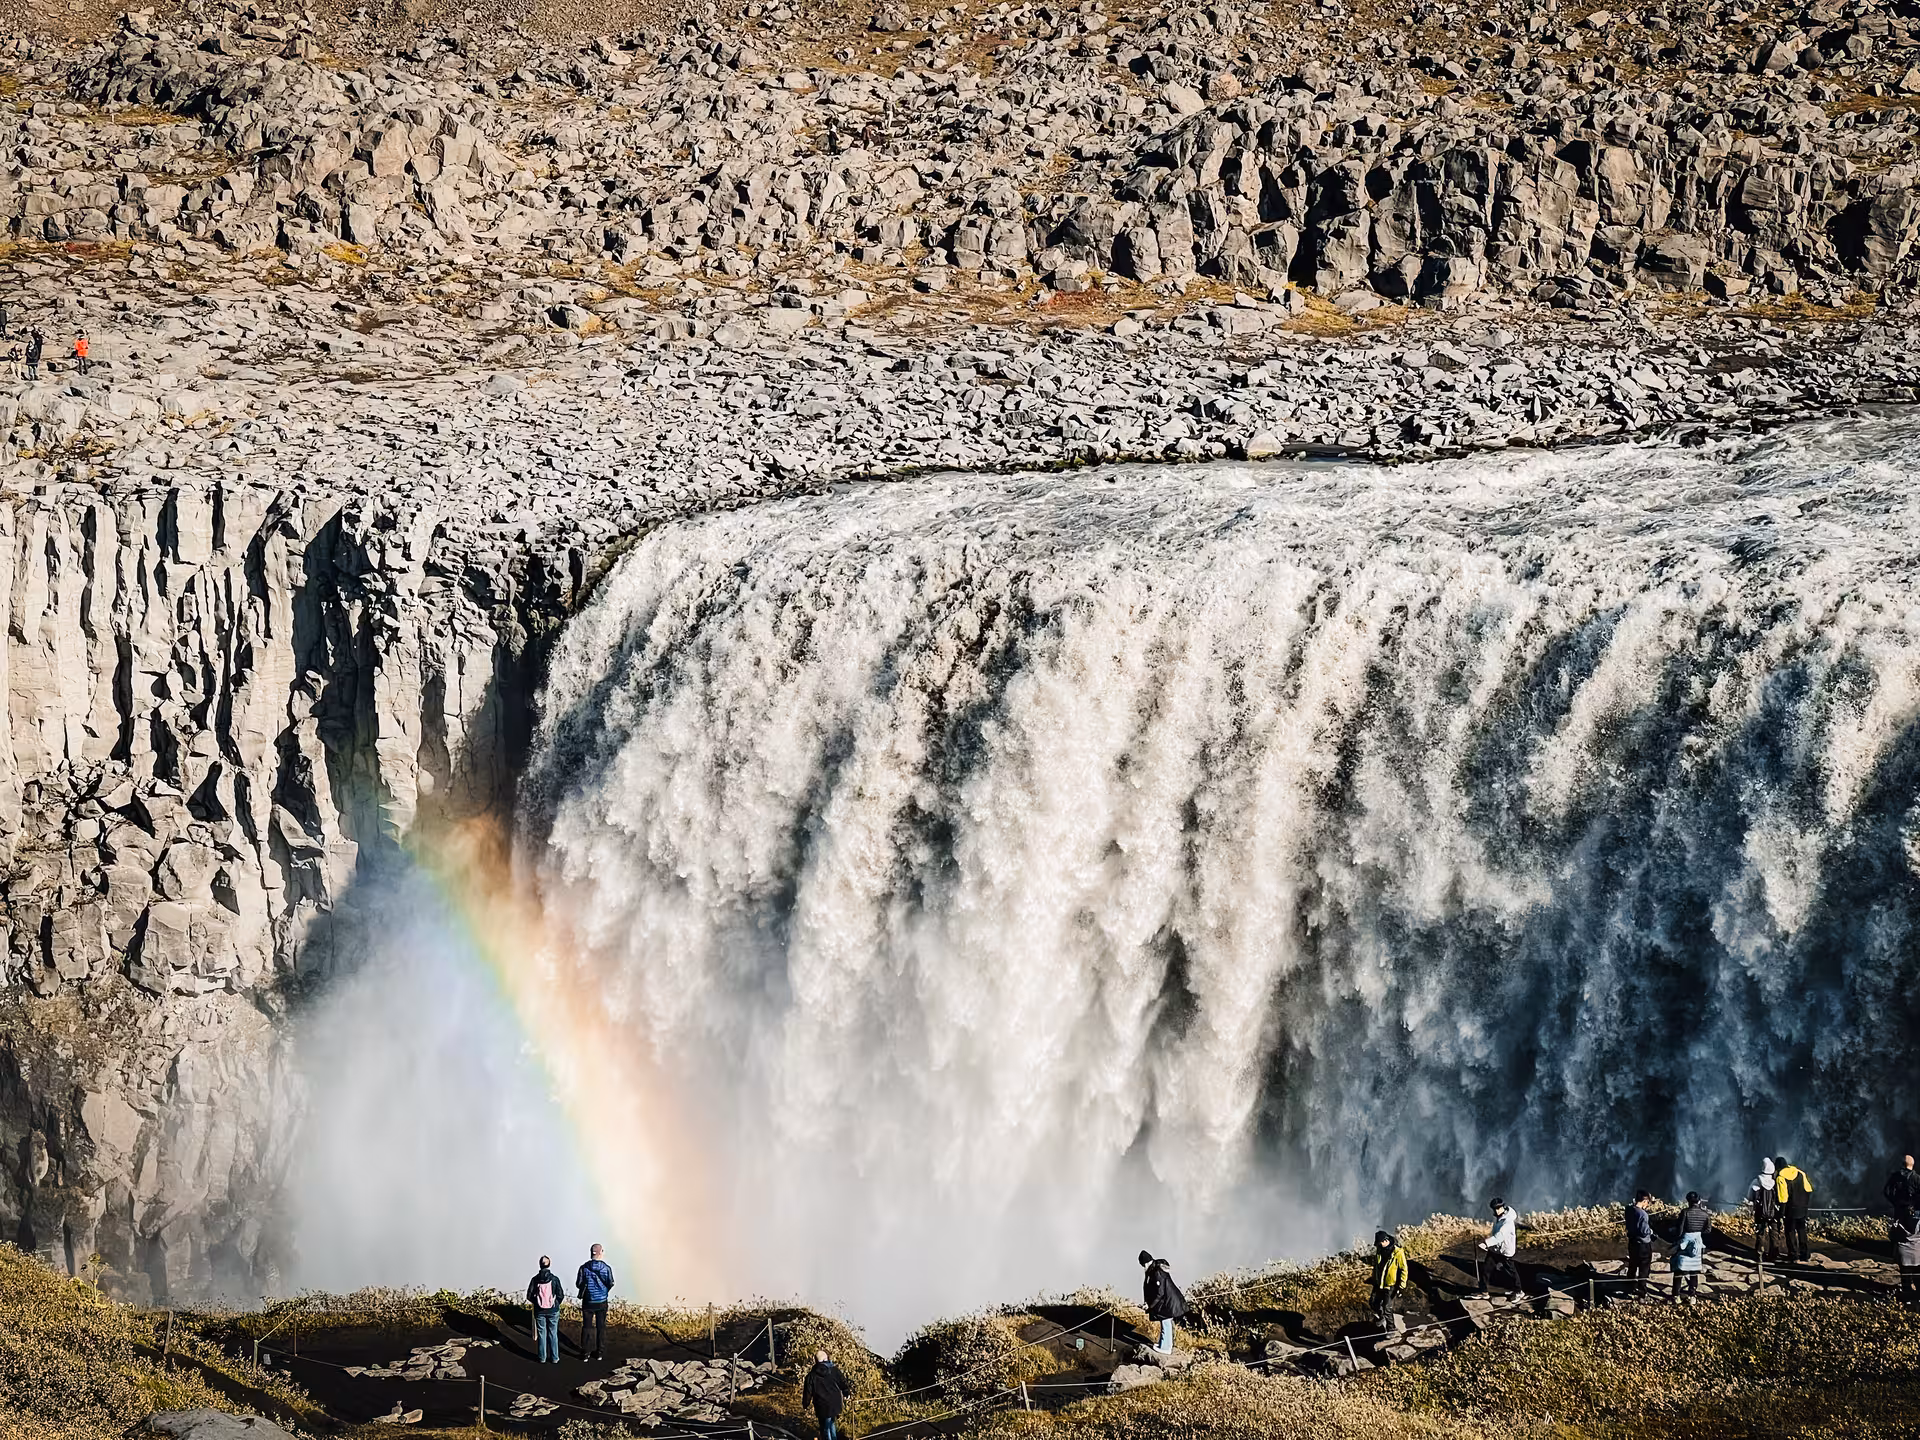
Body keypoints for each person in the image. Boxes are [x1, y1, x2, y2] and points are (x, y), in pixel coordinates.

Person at [1139, 1249, 1187, 1353]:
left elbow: (1160, 1293)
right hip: (1168, 1301)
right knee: (1165, 1322)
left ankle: (1166, 1348)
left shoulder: (1156, 1272)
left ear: (1146, 1263)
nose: (1143, 1268)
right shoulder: (1155, 1269)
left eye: (1143, 1265)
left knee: (1166, 1323)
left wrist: (1150, 1306)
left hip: (1168, 1302)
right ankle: (1163, 1344)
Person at [1886, 1156, 1920, 1298]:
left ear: (1902, 1164)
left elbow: (1886, 1192)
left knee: (1901, 1244)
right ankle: (1917, 1284)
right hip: (1916, 1217)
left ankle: (1906, 1285)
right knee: (1917, 1246)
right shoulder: (1917, 1178)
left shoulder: (1895, 1177)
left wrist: (1895, 1203)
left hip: (1900, 1214)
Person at [576, 1243, 614, 1361]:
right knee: (601, 1327)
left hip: (588, 1301)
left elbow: (578, 1284)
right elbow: (611, 1282)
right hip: (602, 1301)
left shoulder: (583, 1268)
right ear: (601, 1252)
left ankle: (585, 1353)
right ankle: (599, 1353)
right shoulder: (606, 1268)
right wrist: (603, 1291)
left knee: (587, 1327)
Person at [804, 1349, 852, 1440]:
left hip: (821, 1404)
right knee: (831, 1423)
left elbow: (808, 1392)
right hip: (835, 1403)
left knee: (825, 1427)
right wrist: (846, 1393)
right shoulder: (834, 1370)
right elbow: (842, 1382)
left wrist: (805, 1404)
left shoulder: (811, 1375)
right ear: (826, 1359)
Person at [526, 1255, 566, 1363]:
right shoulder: (554, 1279)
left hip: (540, 1311)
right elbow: (560, 1295)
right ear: (549, 1264)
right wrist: (555, 1304)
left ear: (539, 1264)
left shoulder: (535, 1279)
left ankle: (542, 1358)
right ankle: (554, 1358)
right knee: (553, 1333)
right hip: (553, 1310)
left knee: (541, 1334)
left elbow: (529, 1295)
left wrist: (537, 1303)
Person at [1672, 1191, 1711, 1302]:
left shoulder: (1685, 1212)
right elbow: (1708, 1230)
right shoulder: (1705, 1214)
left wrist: (1676, 1238)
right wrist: (1699, 1231)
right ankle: (1692, 1295)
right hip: (1697, 1241)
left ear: (1688, 1201)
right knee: (1694, 1270)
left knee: (1679, 1269)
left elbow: (1680, 1229)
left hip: (1685, 1241)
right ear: (1699, 1201)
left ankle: (1676, 1295)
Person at [1478, 1197, 1519, 1298]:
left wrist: (1486, 1243)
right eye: (1494, 1209)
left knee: (1511, 1273)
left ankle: (1518, 1292)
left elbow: (1500, 1236)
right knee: (1486, 1269)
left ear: (1503, 1207)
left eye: (1498, 1208)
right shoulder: (1499, 1217)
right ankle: (1483, 1292)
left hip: (1505, 1251)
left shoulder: (1507, 1221)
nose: (1496, 1210)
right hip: (1496, 1249)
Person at [1775, 1157, 1813, 1262]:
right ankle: (1804, 1254)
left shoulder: (1780, 1177)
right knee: (1801, 1230)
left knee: (1790, 1232)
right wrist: (1805, 1205)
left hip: (1790, 1210)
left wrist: (1781, 1214)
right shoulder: (1800, 1173)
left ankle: (1793, 1255)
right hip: (1802, 1208)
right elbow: (1809, 1189)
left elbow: (1783, 1198)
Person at [1369, 1229, 1408, 1325]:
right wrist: (1375, 1278)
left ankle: (1391, 1328)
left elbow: (1404, 1269)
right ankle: (1381, 1317)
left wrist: (1402, 1286)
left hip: (1391, 1285)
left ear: (1386, 1241)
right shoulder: (1379, 1250)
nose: (1378, 1245)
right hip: (1379, 1283)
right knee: (1374, 1303)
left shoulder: (1398, 1252)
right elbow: (1377, 1266)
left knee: (1387, 1308)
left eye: (1379, 1243)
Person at [1624, 1190, 1655, 1299]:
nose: (1648, 1205)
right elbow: (1644, 1231)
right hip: (1643, 1245)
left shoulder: (1628, 1209)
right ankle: (1642, 1291)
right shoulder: (1643, 1214)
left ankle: (1629, 1286)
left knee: (1632, 1264)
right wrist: (1651, 1232)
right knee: (1644, 1268)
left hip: (1632, 1242)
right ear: (1644, 1200)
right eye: (1648, 1202)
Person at [1749, 1158, 1781, 1262]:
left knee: (1760, 1233)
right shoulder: (1775, 1182)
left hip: (1760, 1211)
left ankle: (1759, 1254)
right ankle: (1774, 1254)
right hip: (1773, 1212)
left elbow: (1749, 1196)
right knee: (1774, 1233)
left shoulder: (1756, 1181)